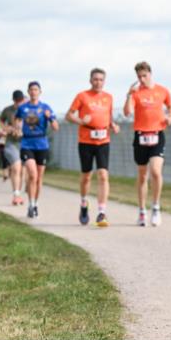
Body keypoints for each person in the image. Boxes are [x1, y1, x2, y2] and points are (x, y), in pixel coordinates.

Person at [123, 61, 171, 227]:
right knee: (142, 175)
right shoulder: (136, 93)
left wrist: (170, 117)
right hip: (140, 136)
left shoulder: (162, 91)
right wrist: (129, 95)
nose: (142, 79)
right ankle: (142, 210)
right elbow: (127, 112)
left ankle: (156, 207)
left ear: (150, 74)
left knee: (156, 171)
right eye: (139, 77)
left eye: (144, 75)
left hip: (157, 135)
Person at [66, 68, 119, 227]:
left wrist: (113, 126)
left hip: (103, 140)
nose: (98, 82)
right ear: (90, 80)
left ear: (104, 81)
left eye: (101, 80)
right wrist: (81, 121)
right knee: (86, 176)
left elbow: (108, 118)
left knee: (103, 175)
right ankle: (84, 204)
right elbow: (69, 115)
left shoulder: (109, 97)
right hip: (86, 141)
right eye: (95, 79)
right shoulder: (82, 96)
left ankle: (101, 213)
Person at [15, 81, 59, 218]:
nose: (34, 92)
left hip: (42, 144)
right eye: (31, 90)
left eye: (36, 89)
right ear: (28, 92)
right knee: (33, 175)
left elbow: (56, 127)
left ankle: (35, 204)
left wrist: (50, 117)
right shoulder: (23, 108)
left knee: (39, 178)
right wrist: (18, 129)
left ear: (40, 92)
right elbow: (16, 120)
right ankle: (31, 204)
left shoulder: (45, 107)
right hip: (27, 144)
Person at [0, 90, 27, 205]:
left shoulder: (28, 110)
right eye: (16, 101)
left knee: (22, 171)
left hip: (25, 143)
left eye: (20, 101)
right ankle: (16, 195)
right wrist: (7, 129)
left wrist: (23, 132)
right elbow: (0, 122)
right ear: (13, 100)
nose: (18, 104)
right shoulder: (7, 110)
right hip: (11, 143)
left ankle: (19, 193)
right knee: (16, 167)